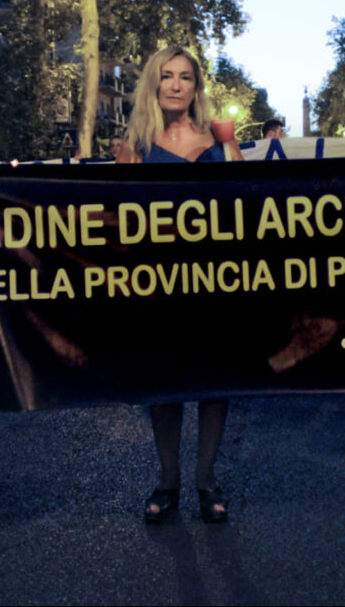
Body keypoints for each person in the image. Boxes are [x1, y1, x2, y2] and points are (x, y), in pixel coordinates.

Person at [120, 45, 244, 524]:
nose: (175, 85)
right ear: (154, 84)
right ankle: (168, 481)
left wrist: (230, 150)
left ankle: (206, 481)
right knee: (164, 383)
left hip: (216, 282)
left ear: (196, 87)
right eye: (167, 76)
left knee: (215, 382)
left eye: (185, 77)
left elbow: (250, 199)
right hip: (158, 284)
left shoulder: (218, 139)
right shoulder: (136, 146)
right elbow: (113, 218)